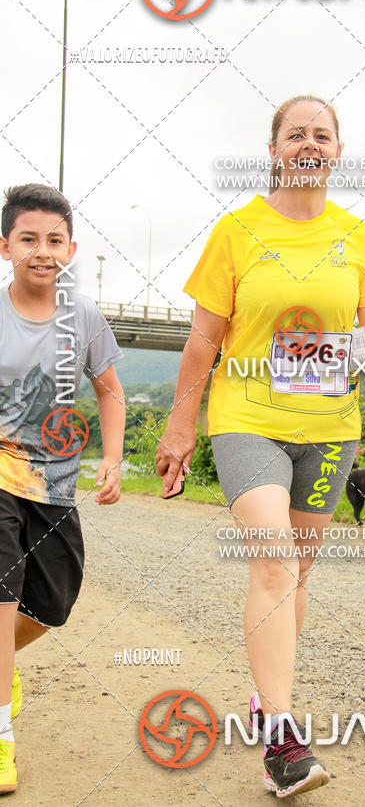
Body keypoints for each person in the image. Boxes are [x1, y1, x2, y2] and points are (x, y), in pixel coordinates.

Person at [156, 95, 365, 797]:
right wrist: (181, 424)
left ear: (338, 152)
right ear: (273, 150)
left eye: (322, 134)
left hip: (329, 430)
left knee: (295, 574)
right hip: (246, 417)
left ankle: (268, 698)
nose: (309, 143)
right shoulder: (238, 231)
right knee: (272, 561)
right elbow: (204, 339)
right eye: (295, 133)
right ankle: (281, 737)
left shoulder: (357, 236)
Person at [0, 184, 125, 793]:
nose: (42, 251)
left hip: (55, 482)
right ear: (5, 247)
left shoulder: (83, 316)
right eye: (28, 239)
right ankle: (1, 738)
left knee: (53, 605)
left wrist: (114, 459)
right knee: (2, 596)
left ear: (70, 249)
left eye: (54, 240)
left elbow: (109, 391)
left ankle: (3, 664)